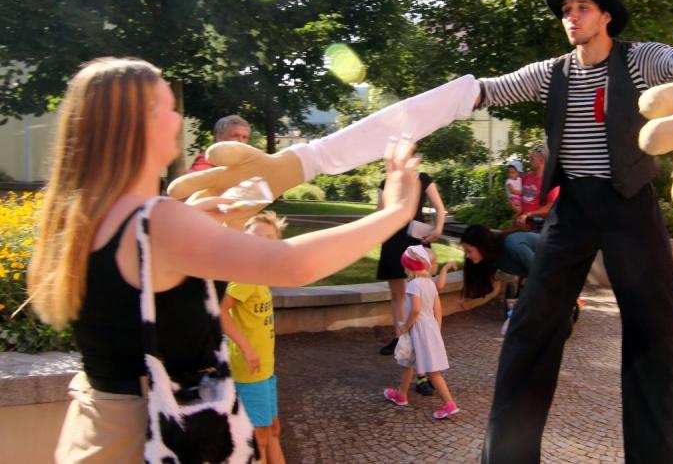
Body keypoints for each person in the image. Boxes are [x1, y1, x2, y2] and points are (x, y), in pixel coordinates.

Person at [26, 57, 422, 463]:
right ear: (136, 125)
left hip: (98, 430)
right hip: (157, 438)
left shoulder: (82, 219)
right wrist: (396, 210)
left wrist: (197, 225)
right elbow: (294, 264)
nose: (178, 120)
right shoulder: (157, 221)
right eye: (167, 108)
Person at [475, 0, 673, 463]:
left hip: (630, 204)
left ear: (606, 16)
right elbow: (490, 88)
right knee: (531, 327)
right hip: (573, 206)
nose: (571, 17)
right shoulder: (552, 72)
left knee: (656, 332)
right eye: (566, 10)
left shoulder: (638, 60)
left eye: (583, 8)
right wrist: (429, 106)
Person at [219, 212, 288, 464]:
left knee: (273, 430)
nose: (263, 243)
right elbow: (220, 310)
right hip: (249, 370)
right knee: (259, 437)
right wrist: (246, 348)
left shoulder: (260, 275)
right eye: (256, 238)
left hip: (265, 368)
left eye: (269, 237)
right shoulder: (247, 277)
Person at [376, 173, 446, 397]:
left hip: (415, 238)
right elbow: (379, 213)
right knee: (398, 295)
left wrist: (438, 228)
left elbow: (439, 207)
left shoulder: (423, 178)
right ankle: (402, 340)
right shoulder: (387, 181)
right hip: (392, 238)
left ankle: (422, 369)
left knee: (418, 296)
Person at [382, 246, 459, 420]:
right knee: (408, 362)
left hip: (418, 329)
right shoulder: (430, 284)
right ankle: (401, 394)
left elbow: (415, 310)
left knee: (432, 370)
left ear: (409, 268)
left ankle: (449, 404)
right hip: (429, 327)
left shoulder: (414, 285)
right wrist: (436, 329)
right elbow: (438, 309)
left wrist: (405, 326)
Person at [515, 148, 560, 230]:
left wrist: (529, 214)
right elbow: (522, 196)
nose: (529, 161)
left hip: (539, 226)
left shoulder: (550, 182)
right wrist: (518, 210)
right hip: (522, 222)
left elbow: (550, 208)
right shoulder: (526, 176)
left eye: (532, 159)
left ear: (541, 160)